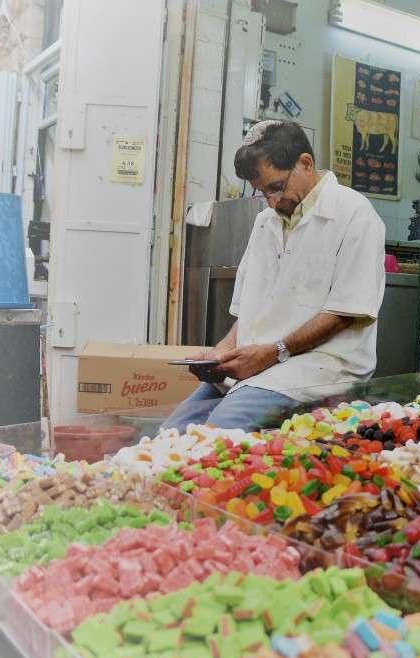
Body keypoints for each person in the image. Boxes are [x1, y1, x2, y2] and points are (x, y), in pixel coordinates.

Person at [162, 120, 385, 432]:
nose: (272, 201)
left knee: (217, 434)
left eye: (277, 186)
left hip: (319, 366)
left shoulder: (354, 214)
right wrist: (221, 353)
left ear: (305, 163)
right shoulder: (266, 222)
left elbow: (345, 313)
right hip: (261, 363)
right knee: (171, 433)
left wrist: (275, 351)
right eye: (262, 192)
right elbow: (252, 311)